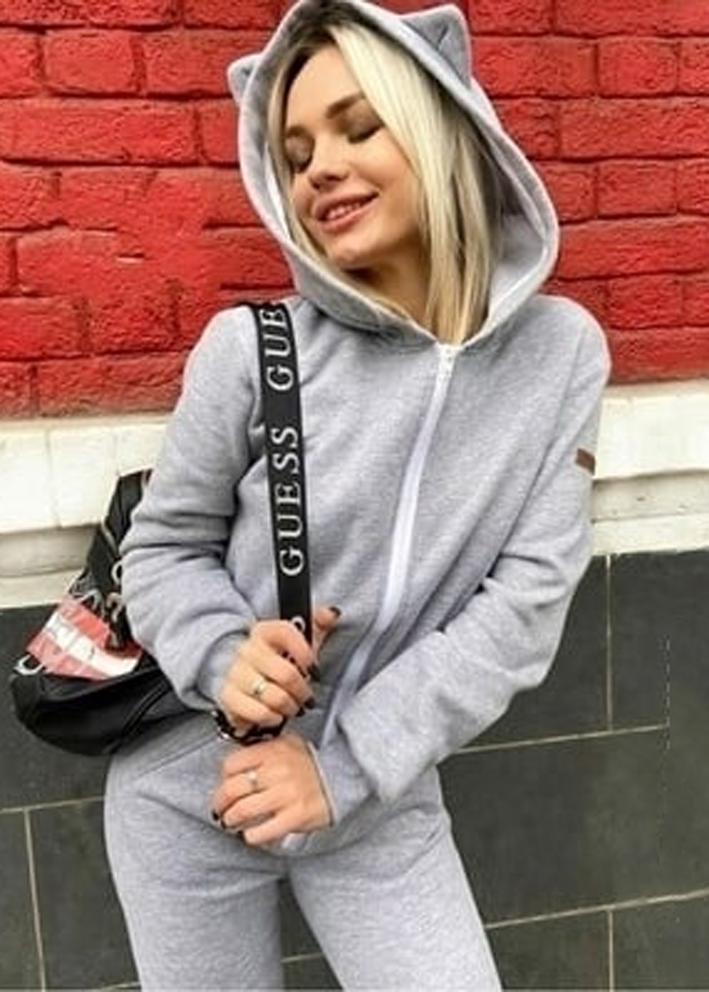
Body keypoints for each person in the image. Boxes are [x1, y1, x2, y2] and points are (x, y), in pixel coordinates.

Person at [104, 0, 612, 988]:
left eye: (357, 127)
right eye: (294, 154)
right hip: (191, 786)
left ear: (437, 129)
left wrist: (340, 770)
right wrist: (223, 650)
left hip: (378, 794)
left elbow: (521, 608)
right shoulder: (251, 350)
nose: (318, 171)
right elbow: (160, 550)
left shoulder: (560, 358)